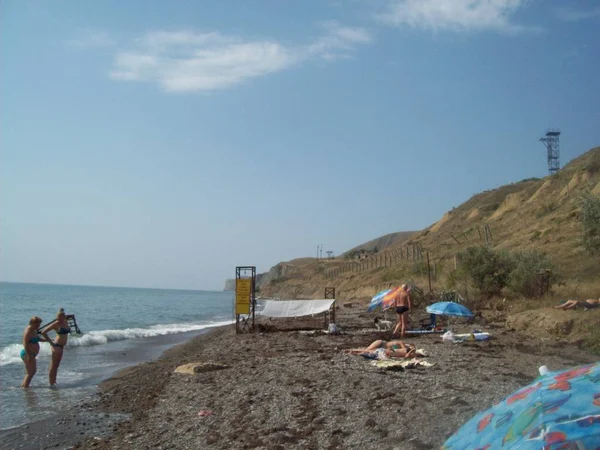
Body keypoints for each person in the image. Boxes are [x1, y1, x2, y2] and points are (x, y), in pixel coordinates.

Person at [41, 308, 71, 386]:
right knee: (53, 365)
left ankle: (54, 381)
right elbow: (43, 332)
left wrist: (62, 311)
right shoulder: (56, 323)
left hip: (61, 346)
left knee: (57, 365)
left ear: (64, 317)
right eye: (58, 318)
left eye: (61, 318)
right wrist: (50, 341)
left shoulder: (65, 322)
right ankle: (51, 383)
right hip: (56, 345)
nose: (60, 320)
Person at [20, 316, 51, 388]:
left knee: (30, 373)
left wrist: (48, 340)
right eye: (37, 324)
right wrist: (29, 355)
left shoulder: (33, 330)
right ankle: (25, 389)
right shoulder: (28, 332)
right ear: (33, 323)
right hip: (27, 354)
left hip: (31, 354)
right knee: (31, 373)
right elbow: (25, 344)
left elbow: (38, 338)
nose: (39, 326)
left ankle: (24, 387)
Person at [343, 339, 416, 358]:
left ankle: (353, 351)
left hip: (383, 349)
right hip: (381, 343)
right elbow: (404, 351)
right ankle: (352, 350)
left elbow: (401, 352)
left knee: (368, 350)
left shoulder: (403, 348)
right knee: (367, 350)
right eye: (410, 346)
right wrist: (411, 350)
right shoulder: (402, 343)